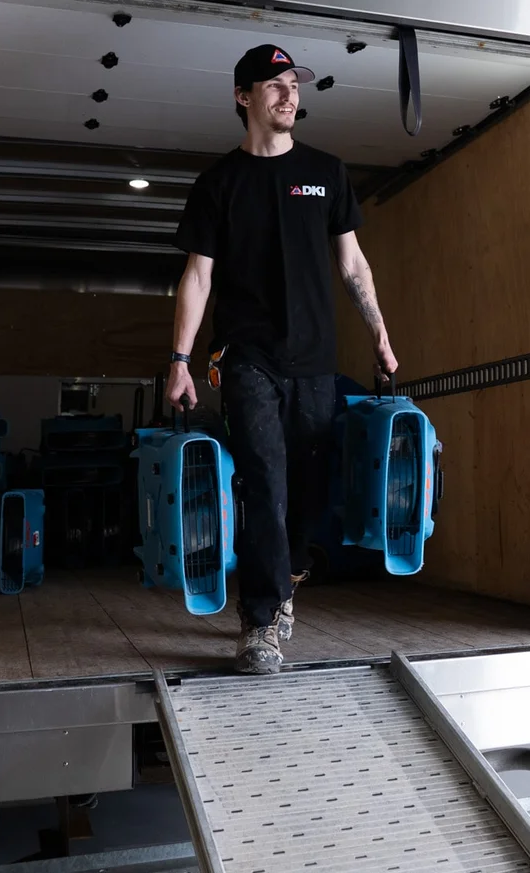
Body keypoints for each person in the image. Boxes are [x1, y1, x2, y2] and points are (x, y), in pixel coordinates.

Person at [166, 43, 398, 675]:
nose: (290, 94)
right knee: (265, 482)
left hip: (316, 362)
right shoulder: (219, 184)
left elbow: (351, 263)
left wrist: (377, 332)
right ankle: (260, 623)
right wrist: (181, 359)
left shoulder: (326, 171)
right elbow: (197, 276)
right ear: (244, 97)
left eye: (294, 84)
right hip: (248, 358)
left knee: (306, 490)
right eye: (274, 85)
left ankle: (287, 578)